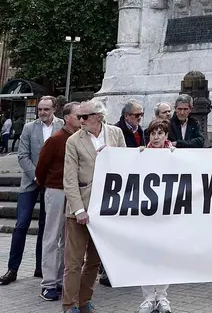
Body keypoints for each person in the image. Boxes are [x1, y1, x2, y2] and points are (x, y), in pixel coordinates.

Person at [62, 99, 126, 313]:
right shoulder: (73, 140)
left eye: (84, 116)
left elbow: (127, 165)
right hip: (80, 209)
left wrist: (112, 155)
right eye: (78, 116)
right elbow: (69, 178)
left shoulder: (115, 134)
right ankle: (69, 305)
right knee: (74, 262)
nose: (80, 120)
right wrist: (78, 209)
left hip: (105, 209)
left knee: (94, 262)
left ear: (98, 116)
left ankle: (84, 301)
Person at [0, 96, 62, 286]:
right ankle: (12, 269)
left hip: (52, 183)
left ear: (54, 109)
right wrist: (37, 175)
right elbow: (22, 155)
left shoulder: (62, 127)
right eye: (40, 109)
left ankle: (40, 267)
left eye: (46, 109)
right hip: (30, 181)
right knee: (21, 224)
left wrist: (47, 176)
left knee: (46, 227)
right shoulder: (29, 128)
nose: (42, 112)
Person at [34, 102, 80, 301]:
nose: (82, 120)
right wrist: (50, 186)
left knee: (67, 239)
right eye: (79, 116)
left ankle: (61, 279)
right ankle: (48, 283)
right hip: (56, 190)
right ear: (68, 117)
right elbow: (41, 167)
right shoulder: (56, 139)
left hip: (73, 193)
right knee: (52, 237)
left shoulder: (79, 138)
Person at [137, 118, 175, 313]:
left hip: (166, 213)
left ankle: (161, 296)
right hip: (147, 213)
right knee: (146, 255)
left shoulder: (174, 155)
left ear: (166, 136)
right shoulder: (142, 154)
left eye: (160, 133)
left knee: (164, 255)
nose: (156, 137)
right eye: (153, 133)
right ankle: (148, 297)